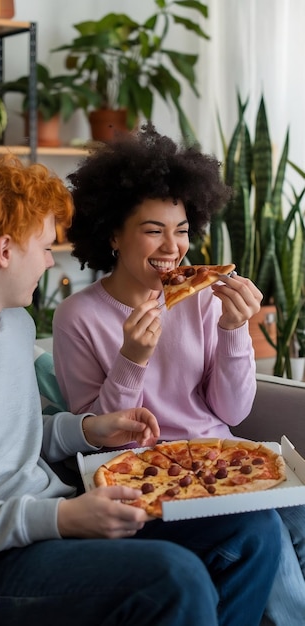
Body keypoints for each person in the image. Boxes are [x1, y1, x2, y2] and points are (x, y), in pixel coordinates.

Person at [0, 153, 281, 626]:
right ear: (5, 251)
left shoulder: (14, 325)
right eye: (46, 247)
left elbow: (15, 438)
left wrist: (88, 429)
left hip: (57, 511)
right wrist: (63, 520)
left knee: (253, 529)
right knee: (177, 575)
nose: (51, 262)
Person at [52, 122, 305, 626]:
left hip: (224, 459)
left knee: (297, 514)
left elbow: (232, 413)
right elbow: (99, 445)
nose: (173, 248)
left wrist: (235, 329)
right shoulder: (77, 316)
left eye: (183, 229)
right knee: (266, 529)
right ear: (112, 235)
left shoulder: (204, 301)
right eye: (153, 230)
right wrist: (132, 358)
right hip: (144, 478)